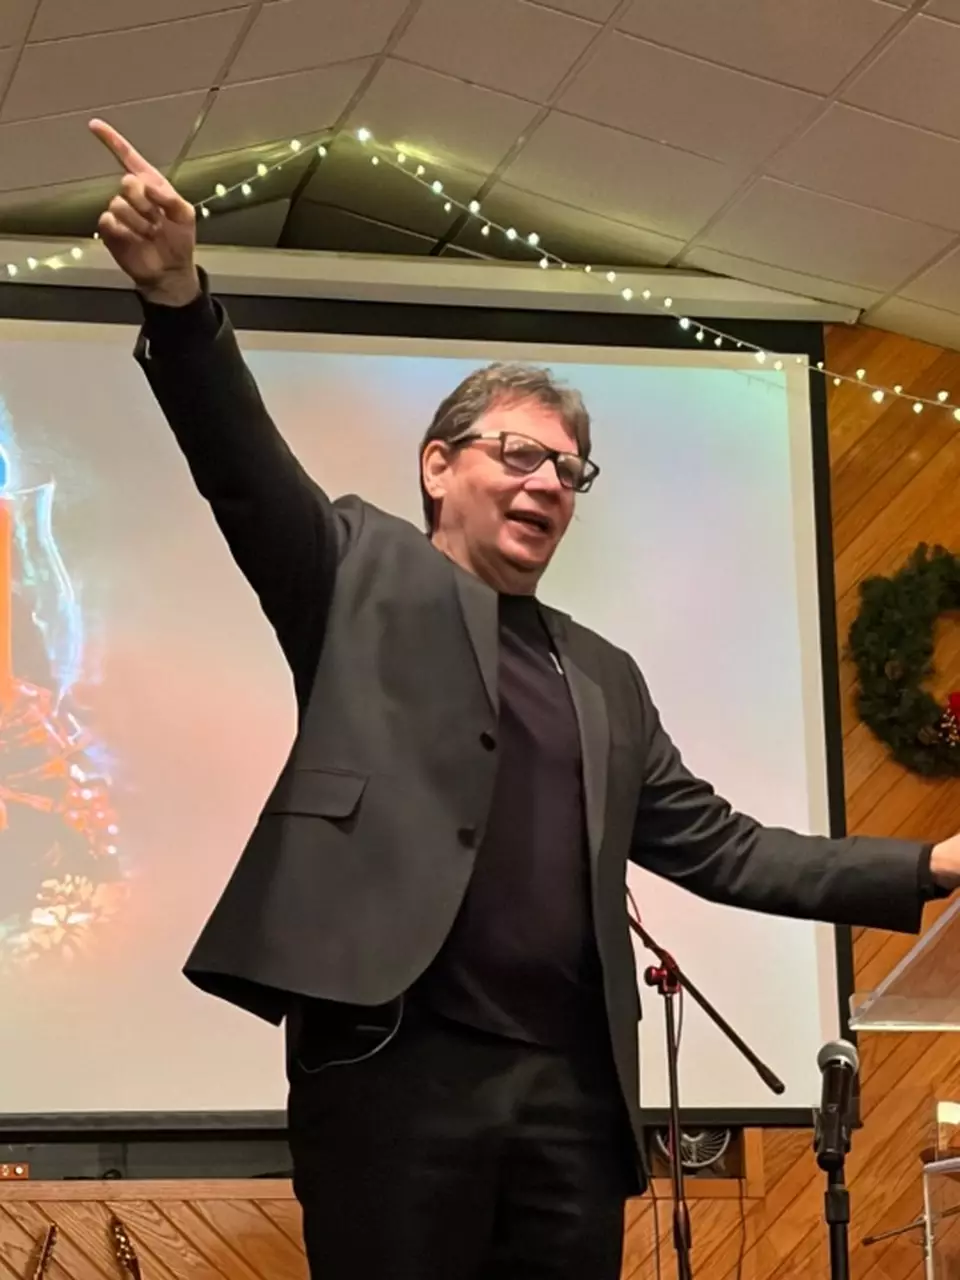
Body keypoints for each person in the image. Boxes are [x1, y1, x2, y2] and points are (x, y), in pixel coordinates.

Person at [90, 116, 960, 1280]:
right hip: (397, 1065)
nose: (549, 481)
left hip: (571, 1093)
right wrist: (178, 298)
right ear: (438, 465)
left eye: (569, 469)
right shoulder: (356, 571)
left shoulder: (604, 674)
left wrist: (928, 863)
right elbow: (240, 465)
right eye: (519, 453)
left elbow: (727, 848)